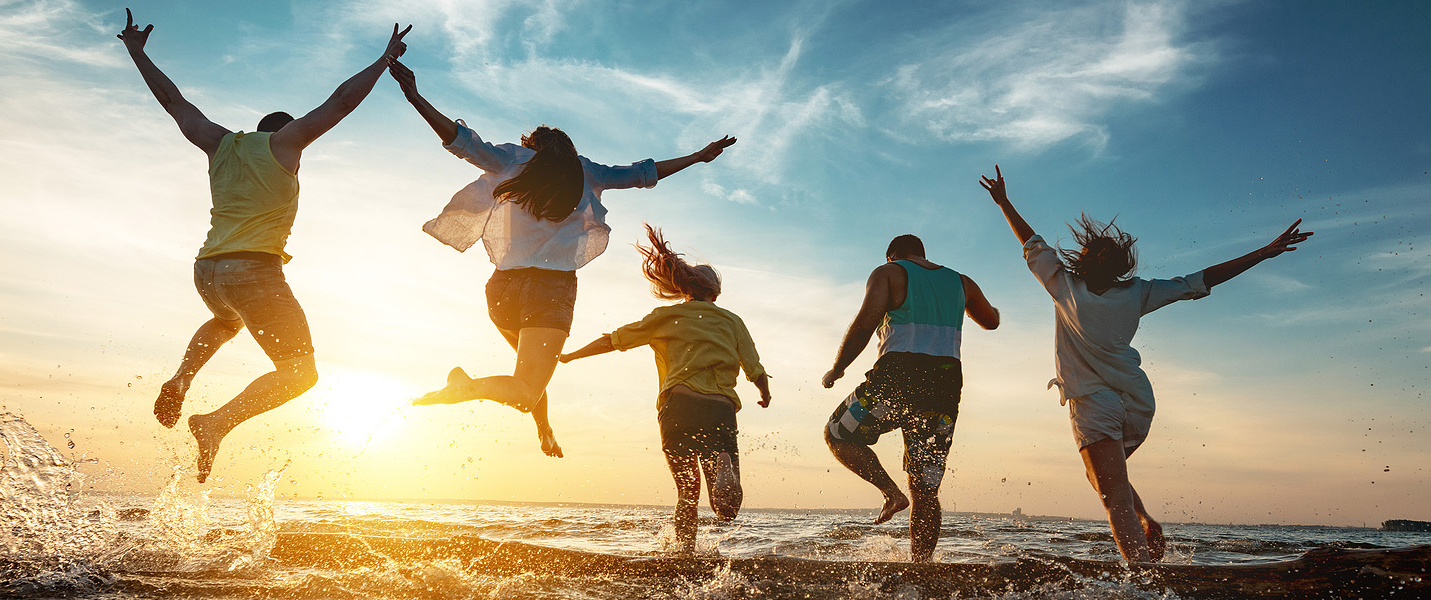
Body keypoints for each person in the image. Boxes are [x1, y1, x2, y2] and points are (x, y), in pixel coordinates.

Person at [387, 59, 736, 458]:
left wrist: (415, 96)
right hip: (549, 290)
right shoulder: (588, 172)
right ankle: (465, 387)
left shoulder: (512, 160)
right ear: (569, 150)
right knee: (525, 386)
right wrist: (697, 156)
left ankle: (544, 430)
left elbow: (460, 140)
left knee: (529, 377)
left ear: (531, 145)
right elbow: (645, 172)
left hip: (501, 291)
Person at [121, 8, 411, 482]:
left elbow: (173, 101)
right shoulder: (286, 144)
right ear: (284, 132)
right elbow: (339, 103)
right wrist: (383, 59)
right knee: (301, 374)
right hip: (253, 270)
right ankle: (214, 424)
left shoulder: (218, 144)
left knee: (224, 320)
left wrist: (136, 53)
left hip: (207, 271)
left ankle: (181, 379)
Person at [978, 165, 1313, 562]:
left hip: (1095, 402)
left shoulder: (1063, 284)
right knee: (1103, 478)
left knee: (1111, 495)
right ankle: (1146, 521)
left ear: (1083, 260)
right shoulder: (1138, 292)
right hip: (1138, 403)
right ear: (1119, 267)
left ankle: (1140, 580)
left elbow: (1030, 240)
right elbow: (1201, 280)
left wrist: (1003, 202)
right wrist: (1263, 252)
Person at [557, 224, 770, 553]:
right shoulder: (730, 321)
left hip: (676, 407)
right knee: (726, 508)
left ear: (683, 288)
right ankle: (723, 463)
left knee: (687, 493)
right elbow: (753, 365)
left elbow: (613, 340)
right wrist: (763, 392)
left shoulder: (664, 317)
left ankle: (683, 554)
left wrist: (572, 355)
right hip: (718, 408)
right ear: (715, 295)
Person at [820, 234, 1001, 562]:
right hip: (945, 385)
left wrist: (838, 368)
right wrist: (984, 308)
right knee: (926, 486)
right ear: (923, 254)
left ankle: (890, 493)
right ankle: (921, 566)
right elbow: (991, 321)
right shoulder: (962, 282)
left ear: (893, 256)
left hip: (899, 375)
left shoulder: (888, 273)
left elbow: (865, 323)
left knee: (838, 434)